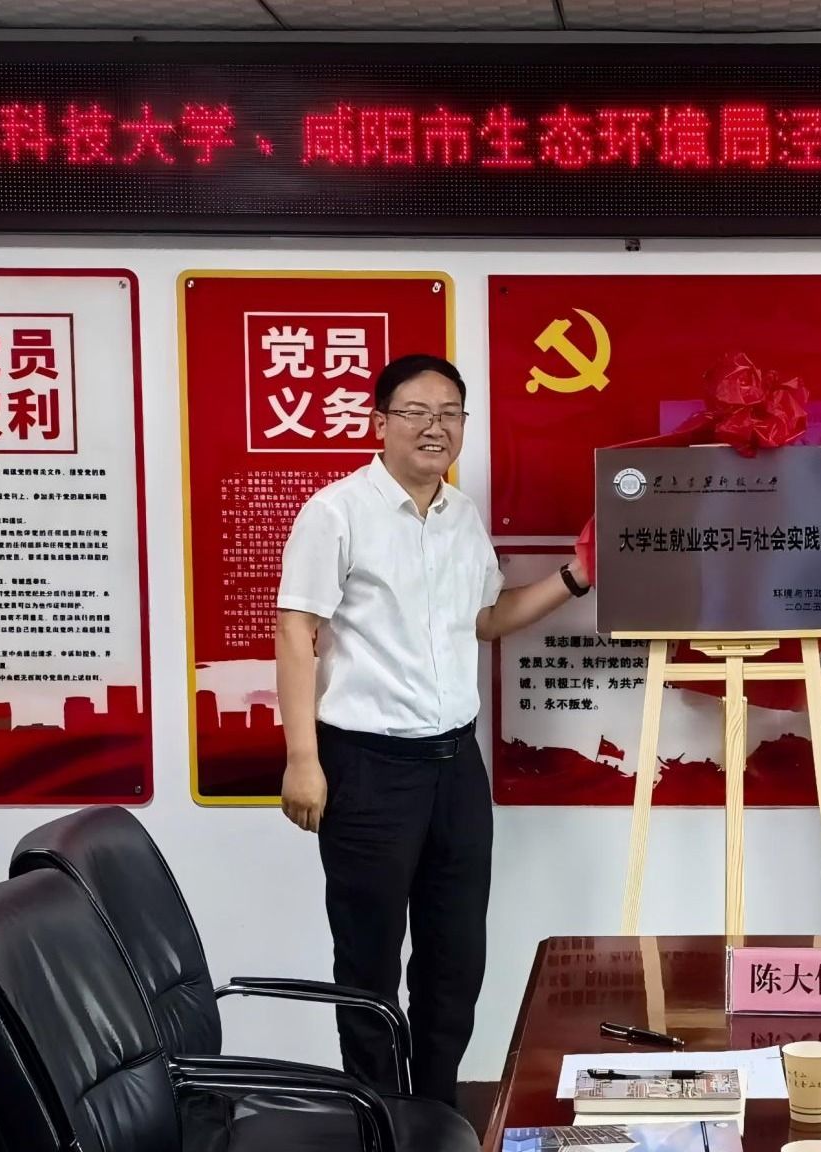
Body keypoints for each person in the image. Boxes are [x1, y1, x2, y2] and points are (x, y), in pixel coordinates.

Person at [274, 354, 591, 1107]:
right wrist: (302, 759)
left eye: (449, 413)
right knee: (369, 961)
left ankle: (437, 1109)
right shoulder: (336, 513)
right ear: (379, 423)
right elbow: (295, 631)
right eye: (415, 412)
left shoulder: (461, 516)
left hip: (455, 767)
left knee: (455, 959)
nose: (434, 427)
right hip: (367, 767)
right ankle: (380, 1117)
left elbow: (488, 619)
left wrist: (578, 574)